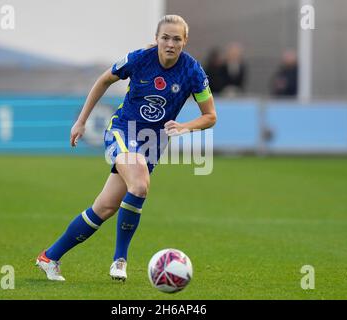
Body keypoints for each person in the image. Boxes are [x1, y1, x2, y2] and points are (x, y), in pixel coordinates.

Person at [35, 15, 216, 281]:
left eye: (177, 39)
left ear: (184, 42)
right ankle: (120, 260)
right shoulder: (140, 58)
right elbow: (103, 80)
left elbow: (210, 116)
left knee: (106, 207)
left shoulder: (193, 72)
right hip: (122, 131)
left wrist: (186, 127)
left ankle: (49, 257)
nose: (170, 43)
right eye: (165, 37)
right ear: (157, 39)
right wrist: (81, 121)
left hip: (153, 143)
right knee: (140, 184)